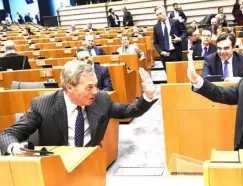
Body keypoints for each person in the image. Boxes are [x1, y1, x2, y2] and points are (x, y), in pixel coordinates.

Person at [0, 59, 157, 156]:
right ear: (69, 87)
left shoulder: (101, 99)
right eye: (89, 88)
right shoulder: (43, 105)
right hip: (57, 164)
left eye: (96, 86)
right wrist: (14, 148)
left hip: (90, 161)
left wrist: (147, 95)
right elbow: (8, 134)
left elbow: (130, 111)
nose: (95, 91)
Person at [153, 6, 187, 70]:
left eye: (160, 13)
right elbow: (155, 42)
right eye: (157, 15)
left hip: (175, 52)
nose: (159, 16)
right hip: (164, 55)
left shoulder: (175, 22)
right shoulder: (156, 27)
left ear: (165, 12)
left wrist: (180, 38)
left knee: (178, 73)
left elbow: (184, 32)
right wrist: (161, 52)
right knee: (169, 75)